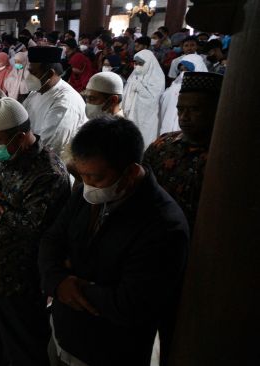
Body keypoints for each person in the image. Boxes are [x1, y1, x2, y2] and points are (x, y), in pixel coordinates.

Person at [39, 117, 189, 366]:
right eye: (82, 175)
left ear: (130, 172)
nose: (87, 185)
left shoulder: (164, 224)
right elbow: (52, 239)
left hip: (109, 351)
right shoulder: (87, 192)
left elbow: (130, 304)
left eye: (95, 178)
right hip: (63, 333)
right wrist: (57, 280)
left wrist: (71, 286)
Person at [0, 97, 70, 366]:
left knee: (23, 348)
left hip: (16, 281)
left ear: (23, 136)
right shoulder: (5, 155)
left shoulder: (47, 173)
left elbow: (34, 228)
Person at [143, 72, 222, 366]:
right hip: (154, 259)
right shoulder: (163, 147)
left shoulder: (226, 156)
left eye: (196, 109)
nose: (185, 117)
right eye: (181, 109)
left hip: (201, 266)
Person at [22, 46, 87, 154]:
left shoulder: (65, 102)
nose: (29, 77)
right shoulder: (37, 91)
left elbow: (49, 148)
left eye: (33, 73)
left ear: (50, 74)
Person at [122, 49, 166, 147]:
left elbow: (153, 100)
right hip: (131, 114)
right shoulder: (133, 75)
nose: (137, 66)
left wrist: (140, 88)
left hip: (147, 117)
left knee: (144, 139)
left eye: (140, 63)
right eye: (135, 63)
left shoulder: (157, 77)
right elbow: (125, 94)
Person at [158, 54, 208, 135]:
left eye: (187, 69)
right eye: (181, 70)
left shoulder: (203, 91)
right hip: (168, 127)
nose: (183, 73)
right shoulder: (174, 86)